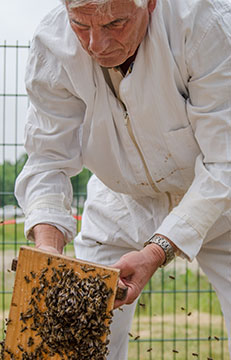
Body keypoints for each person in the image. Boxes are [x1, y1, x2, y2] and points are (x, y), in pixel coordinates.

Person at [15, 0, 231, 358]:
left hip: (221, 199)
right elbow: (47, 159)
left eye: (115, 23)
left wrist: (157, 250)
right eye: (81, 25)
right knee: (73, 340)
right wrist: (48, 250)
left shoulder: (203, 23)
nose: (96, 45)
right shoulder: (52, 43)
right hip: (121, 200)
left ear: (149, 3)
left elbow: (225, 162)